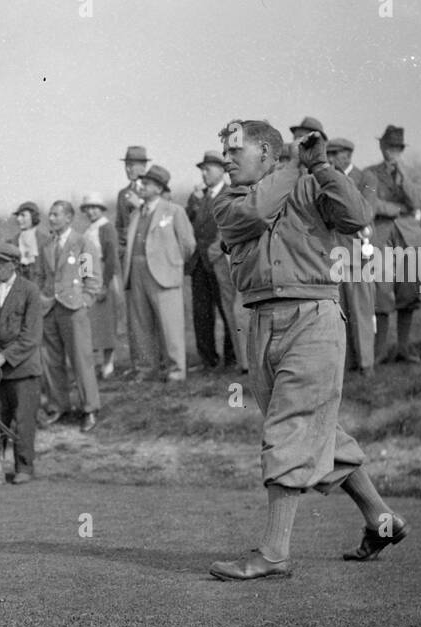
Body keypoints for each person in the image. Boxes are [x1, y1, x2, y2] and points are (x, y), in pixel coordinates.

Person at [208, 119, 406, 580]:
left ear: (268, 154)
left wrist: (321, 166)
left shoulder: (311, 182)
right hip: (259, 325)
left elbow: (357, 216)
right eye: (225, 153)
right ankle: (382, 520)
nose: (227, 159)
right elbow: (256, 214)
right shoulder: (228, 201)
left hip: (313, 319)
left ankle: (274, 553)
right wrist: (298, 164)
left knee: (290, 428)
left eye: (237, 151)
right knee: (318, 431)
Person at [0, 244, 43, 484]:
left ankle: (24, 467)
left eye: (2, 262)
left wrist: (4, 356)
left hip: (23, 368)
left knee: (23, 421)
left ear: (14, 264)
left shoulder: (29, 290)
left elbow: (31, 336)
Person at [123, 166, 195, 383]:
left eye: (146, 184)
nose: (141, 187)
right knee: (140, 323)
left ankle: (176, 370)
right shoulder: (136, 213)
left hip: (164, 274)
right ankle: (146, 368)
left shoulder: (174, 211)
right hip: (136, 273)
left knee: (170, 324)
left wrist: (172, 263)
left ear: (158, 188)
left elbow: (188, 244)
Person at [361, 125, 421, 364]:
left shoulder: (412, 173)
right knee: (382, 292)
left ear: (402, 150)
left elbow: (416, 200)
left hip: (409, 237)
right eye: (389, 147)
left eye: (397, 148)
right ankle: (380, 350)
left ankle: (404, 346)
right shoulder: (370, 173)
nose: (392, 152)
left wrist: (403, 176)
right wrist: (399, 209)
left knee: (408, 291)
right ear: (381, 146)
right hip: (381, 235)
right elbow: (371, 204)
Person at [38, 201, 102, 431]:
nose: (51, 218)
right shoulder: (47, 244)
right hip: (49, 308)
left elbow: (91, 276)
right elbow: (41, 276)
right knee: (51, 360)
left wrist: (85, 300)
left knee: (81, 359)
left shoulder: (82, 242)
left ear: (68, 218)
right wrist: (41, 299)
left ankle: (90, 409)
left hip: (74, 308)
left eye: (56, 215)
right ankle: (58, 406)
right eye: (50, 214)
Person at [327, 138, 376, 375]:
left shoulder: (365, 178)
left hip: (358, 253)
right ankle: (346, 363)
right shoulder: (325, 179)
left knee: (362, 311)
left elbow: (366, 212)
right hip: (334, 253)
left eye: (335, 153)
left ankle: (366, 362)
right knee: (340, 312)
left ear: (348, 154)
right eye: (329, 153)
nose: (331, 157)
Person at [185, 153, 235, 372]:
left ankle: (232, 358)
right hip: (199, 263)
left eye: (208, 169)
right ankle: (208, 360)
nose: (204, 174)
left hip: (220, 260)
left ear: (222, 170)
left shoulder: (231, 194)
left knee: (227, 310)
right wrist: (194, 204)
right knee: (201, 313)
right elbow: (188, 225)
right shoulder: (198, 197)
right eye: (202, 170)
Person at [79, 192, 120, 379]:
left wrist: (105, 284)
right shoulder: (88, 230)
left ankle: (109, 362)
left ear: (101, 210)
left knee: (106, 322)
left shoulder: (106, 228)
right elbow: (85, 258)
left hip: (104, 275)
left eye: (95, 208)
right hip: (91, 277)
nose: (91, 212)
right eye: (89, 208)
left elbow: (111, 256)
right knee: (94, 322)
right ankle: (97, 364)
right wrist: (84, 279)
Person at [12, 202, 49, 288]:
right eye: (18, 216)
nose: (19, 219)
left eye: (23, 215)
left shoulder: (45, 241)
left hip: (40, 290)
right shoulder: (13, 242)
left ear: (33, 217)